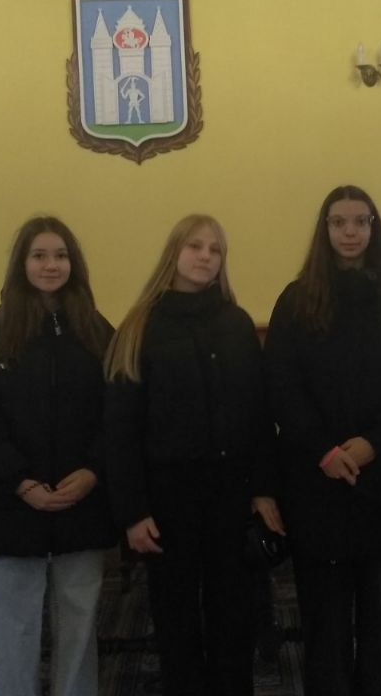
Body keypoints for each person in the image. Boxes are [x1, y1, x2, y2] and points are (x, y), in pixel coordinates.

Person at [264, 185, 381, 696]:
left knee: (378, 610)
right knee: (324, 614)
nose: (349, 232)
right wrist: (325, 449)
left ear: (372, 228)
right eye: (339, 222)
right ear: (325, 229)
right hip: (315, 479)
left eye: (360, 221)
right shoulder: (296, 300)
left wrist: (372, 443)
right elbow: (281, 385)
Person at [104, 214, 281, 696]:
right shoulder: (140, 327)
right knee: (175, 617)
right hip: (167, 500)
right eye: (195, 246)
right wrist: (133, 512)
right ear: (174, 253)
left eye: (215, 249)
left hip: (231, 496)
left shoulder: (236, 323)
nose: (205, 256)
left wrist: (265, 489)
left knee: (234, 615)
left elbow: (258, 416)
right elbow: (120, 431)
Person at [0, 216, 117, 696]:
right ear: (21, 264)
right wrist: (21, 482)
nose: (51, 265)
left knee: (80, 624)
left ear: (74, 264)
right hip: (9, 507)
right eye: (39, 255)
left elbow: (118, 413)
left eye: (60, 256)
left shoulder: (96, 331)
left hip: (82, 503)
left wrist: (93, 471)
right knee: (15, 627)